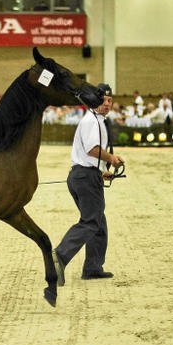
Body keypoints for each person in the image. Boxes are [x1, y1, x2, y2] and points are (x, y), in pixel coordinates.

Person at [52, 83, 124, 284]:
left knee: (98, 222)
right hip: (85, 177)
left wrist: (101, 172)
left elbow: (89, 154)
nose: (107, 104)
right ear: (95, 100)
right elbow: (92, 149)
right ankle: (60, 255)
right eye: (104, 100)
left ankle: (93, 267)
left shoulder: (95, 120)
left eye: (110, 100)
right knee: (91, 221)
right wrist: (111, 158)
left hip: (84, 175)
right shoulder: (93, 121)